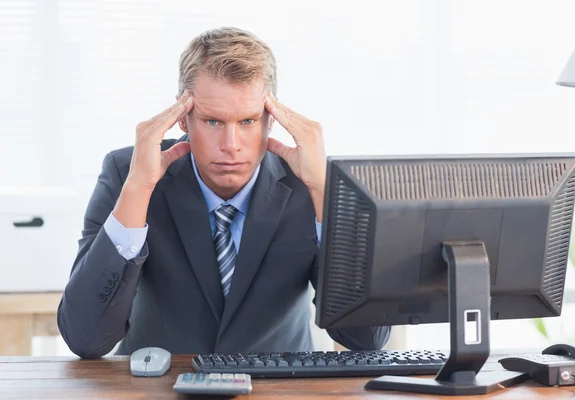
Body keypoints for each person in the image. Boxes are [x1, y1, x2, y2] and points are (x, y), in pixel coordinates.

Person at [57, 27, 390, 359]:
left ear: (271, 119)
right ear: (183, 118)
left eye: (247, 121)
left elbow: (366, 339)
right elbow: (85, 338)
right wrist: (139, 189)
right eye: (213, 121)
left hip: (282, 389)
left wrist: (325, 195)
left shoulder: (311, 180)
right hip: (157, 388)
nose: (231, 146)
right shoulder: (127, 173)